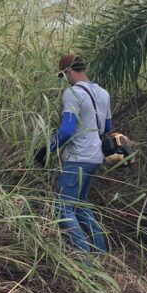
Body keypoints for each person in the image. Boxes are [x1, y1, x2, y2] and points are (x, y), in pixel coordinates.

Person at [35, 54, 111, 252]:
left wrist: (47, 150)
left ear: (68, 71)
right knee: (80, 205)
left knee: (62, 207)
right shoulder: (103, 93)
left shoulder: (72, 94)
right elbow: (107, 127)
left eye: (65, 75)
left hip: (78, 157)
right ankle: (102, 253)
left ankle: (85, 260)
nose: (66, 80)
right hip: (96, 156)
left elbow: (67, 130)